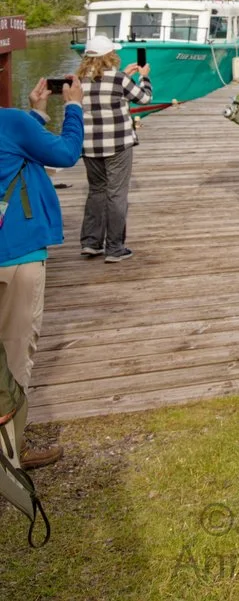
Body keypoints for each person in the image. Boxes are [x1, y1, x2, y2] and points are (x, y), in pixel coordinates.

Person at [0, 75, 84, 469]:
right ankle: (10, 452)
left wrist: (36, 110)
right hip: (15, 254)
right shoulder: (10, 122)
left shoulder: (17, 123)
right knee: (16, 351)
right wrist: (73, 107)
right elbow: (66, 154)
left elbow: (15, 148)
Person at [76, 37, 152, 263]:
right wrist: (144, 76)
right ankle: (115, 247)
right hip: (118, 144)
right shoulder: (118, 79)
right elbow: (145, 98)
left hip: (89, 145)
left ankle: (91, 242)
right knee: (117, 194)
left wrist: (126, 76)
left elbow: (98, 92)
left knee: (96, 191)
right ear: (110, 55)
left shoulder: (77, 81)